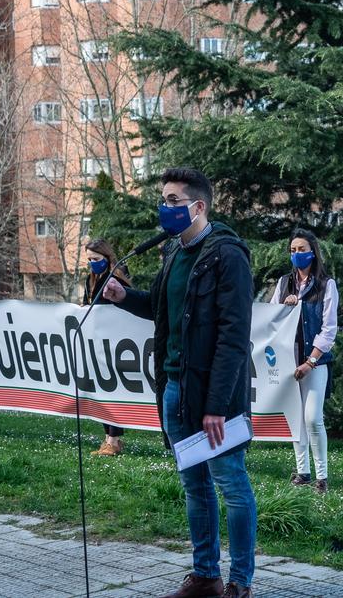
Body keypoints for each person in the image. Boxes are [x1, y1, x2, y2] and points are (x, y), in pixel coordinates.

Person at [102, 167, 256, 598]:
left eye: (172, 201)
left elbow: (233, 336)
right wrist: (124, 297)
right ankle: (205, 574)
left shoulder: (227, 255)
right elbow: (164, 310)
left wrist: (217, 404)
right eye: (163, 199)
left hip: (213, 397)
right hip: (174, 390)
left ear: (198, 206)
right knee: (194, 485)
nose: (164, 207)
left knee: (231, 484)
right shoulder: (172, 252)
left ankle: (240, 582)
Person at [270, 228, 338, 494]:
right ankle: (303, 472)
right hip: (289, 358)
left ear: (313, 252)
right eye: (293, 250)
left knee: (312, 418)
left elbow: (329, 328)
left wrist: (311, 361)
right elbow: (272, 318)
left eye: (302, 250)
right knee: (295, 418)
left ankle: (322, 476)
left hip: (315, 361)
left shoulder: (325, 284)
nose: (297, 254)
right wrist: (284, 307)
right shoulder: (283, 283)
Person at [83, 239, 131, 457]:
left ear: (107, 257)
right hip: (98, 341)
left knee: (111, 390)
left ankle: (113, 440)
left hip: (117, 343)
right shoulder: (91, 279)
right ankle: (109, 439)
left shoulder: (117, 278)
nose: (93, 263)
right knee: (102, 390)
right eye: (90, 260)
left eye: (96, 259)